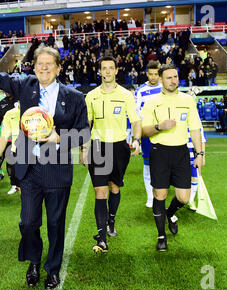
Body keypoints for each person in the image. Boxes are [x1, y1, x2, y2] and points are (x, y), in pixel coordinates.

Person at [0, 37, 90, 290]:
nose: (43, 68)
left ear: (58, 68)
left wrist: (59, 137)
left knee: (55, 224)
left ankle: (52, 269)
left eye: (49, 64)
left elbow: (84, 132)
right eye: (39, 64)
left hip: (57, 170)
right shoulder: (25, 86)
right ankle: (33, 261)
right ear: (33, 67)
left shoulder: (74, 97)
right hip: (29, 168)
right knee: (28, 222)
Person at [141, 64, 203, 251]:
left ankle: (169, 213)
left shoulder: (188, 100)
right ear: (161, 79)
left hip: (181, 153)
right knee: (159, 195)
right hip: (159, 152)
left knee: (183, 198)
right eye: (168, 77)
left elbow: (195, 129)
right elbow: (143, 131)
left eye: (175, 77)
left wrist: (200, 154)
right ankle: (161, 237)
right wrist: (159, 126)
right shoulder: (151, 101)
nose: (173, 80)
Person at [82, 57, 141, 253]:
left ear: (116, 71)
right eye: (104, 68)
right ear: (99, 71)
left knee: (114, 187)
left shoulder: (126, 95)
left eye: (111, 68)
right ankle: (102, 237)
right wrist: (84, 148)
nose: (107, 72)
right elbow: (86, 124)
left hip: (119, 147)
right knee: (101, 191)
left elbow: (135, 121)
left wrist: (137, 140)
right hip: (98, 147)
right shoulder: (90, 96)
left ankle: (111, 220)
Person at [134, 60, 162, 208]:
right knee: (147, 165)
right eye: (151, 74)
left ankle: (160, 193)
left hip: (164, 132)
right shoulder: (140, 91)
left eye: (156, 74)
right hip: (147, 133)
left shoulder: (165, 88)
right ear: (146, 73)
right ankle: (150, 197)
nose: (153, 77)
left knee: (164, 164)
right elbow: (136, 114)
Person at [0, 91, 20, 194]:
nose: (6, 91)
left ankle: (15, 185)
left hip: (21, 142)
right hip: (6, 138)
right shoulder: (2, 105)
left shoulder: (21, 102)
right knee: (1, 161)